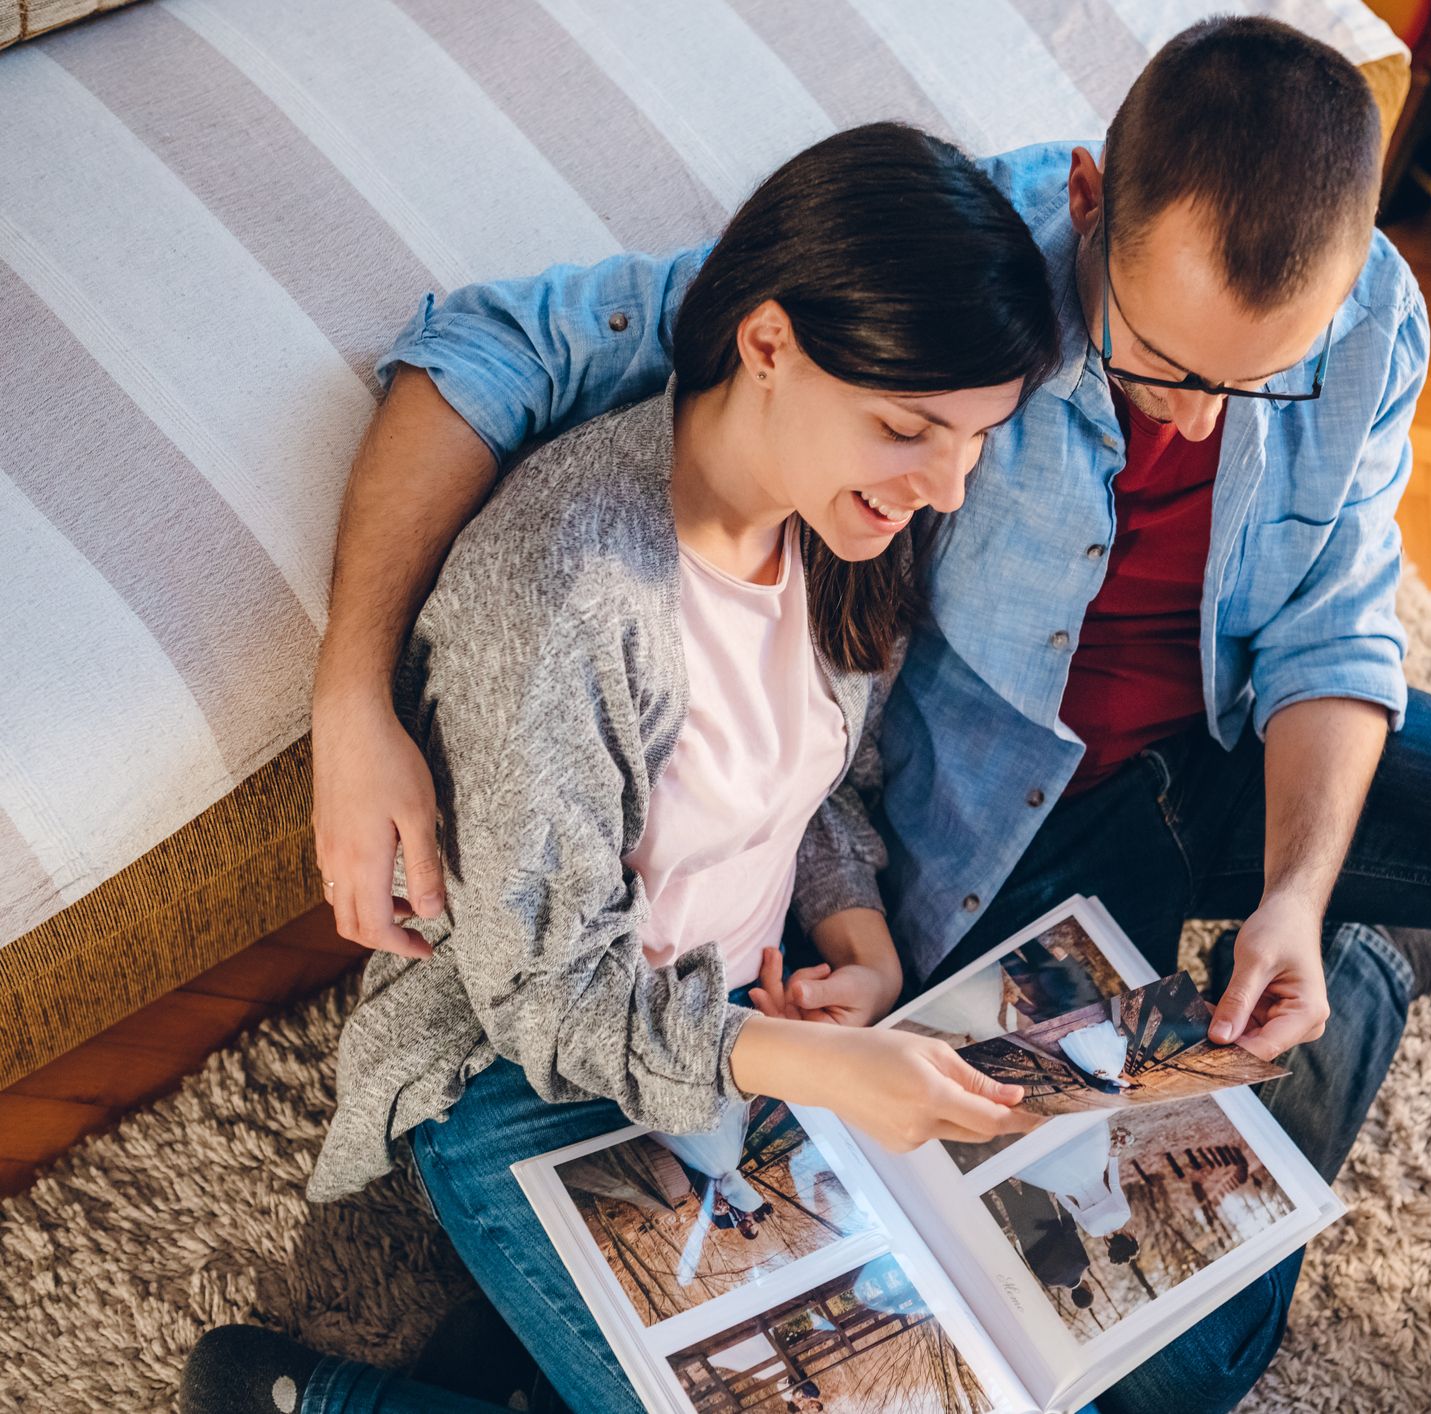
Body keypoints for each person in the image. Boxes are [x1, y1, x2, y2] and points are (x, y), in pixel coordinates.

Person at [310, 19, 1431, 1414]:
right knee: (1156, 1358)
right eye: (1161, 365)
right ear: (1088, 204)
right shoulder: (927, 298)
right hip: (1005, 823)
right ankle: (1367, 981)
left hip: (1218, 742)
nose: (1200, 423)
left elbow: (1331, 627)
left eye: (1262, 382)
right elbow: (504, 348)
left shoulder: (1358, 325)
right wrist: (354, 695)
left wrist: (1298, 890)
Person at [179, 122, 1059, 1414]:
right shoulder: (570, 593)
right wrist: (811, 1067)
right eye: (908, 429)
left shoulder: (839, 524)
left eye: (976, 438)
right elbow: (543, 997)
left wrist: (862, 947)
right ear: (768, 344)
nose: (947, 486)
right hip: (524, 1074)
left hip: (734, 1035)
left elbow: (809, 785)